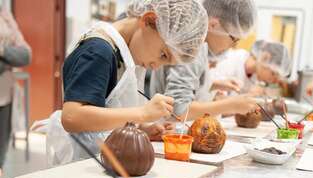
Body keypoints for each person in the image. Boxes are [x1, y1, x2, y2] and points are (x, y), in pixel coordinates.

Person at [46, 0, 208, 166]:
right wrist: (142, 113)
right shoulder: (98, 51)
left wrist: (138, 128)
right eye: (163, 55)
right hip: (81, 166)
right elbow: (72, 117)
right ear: (148, 20)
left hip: (104, 162)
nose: (156, 66)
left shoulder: (125, 55)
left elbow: (107, 110)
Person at [149, 0, 259, 120]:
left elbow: (187, 86)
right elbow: (177, 110)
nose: (233, 46)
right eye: (234, 38)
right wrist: (230, 105)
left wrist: (212, 85)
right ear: (213, 25)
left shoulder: (201, 45)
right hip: (169, 134)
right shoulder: (191, 46)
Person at [0, 4, 31, 168]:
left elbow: (26, 54)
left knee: (0, 161)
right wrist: (9, 58)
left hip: (5, 94)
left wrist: (2, 52)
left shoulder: (5, 13)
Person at [210, 39, 292, 97]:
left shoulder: (254, 77)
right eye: (273, 74)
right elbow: (215, 102)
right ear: (265, 57)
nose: (273, 81)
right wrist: (248, 96)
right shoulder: (230, 60)